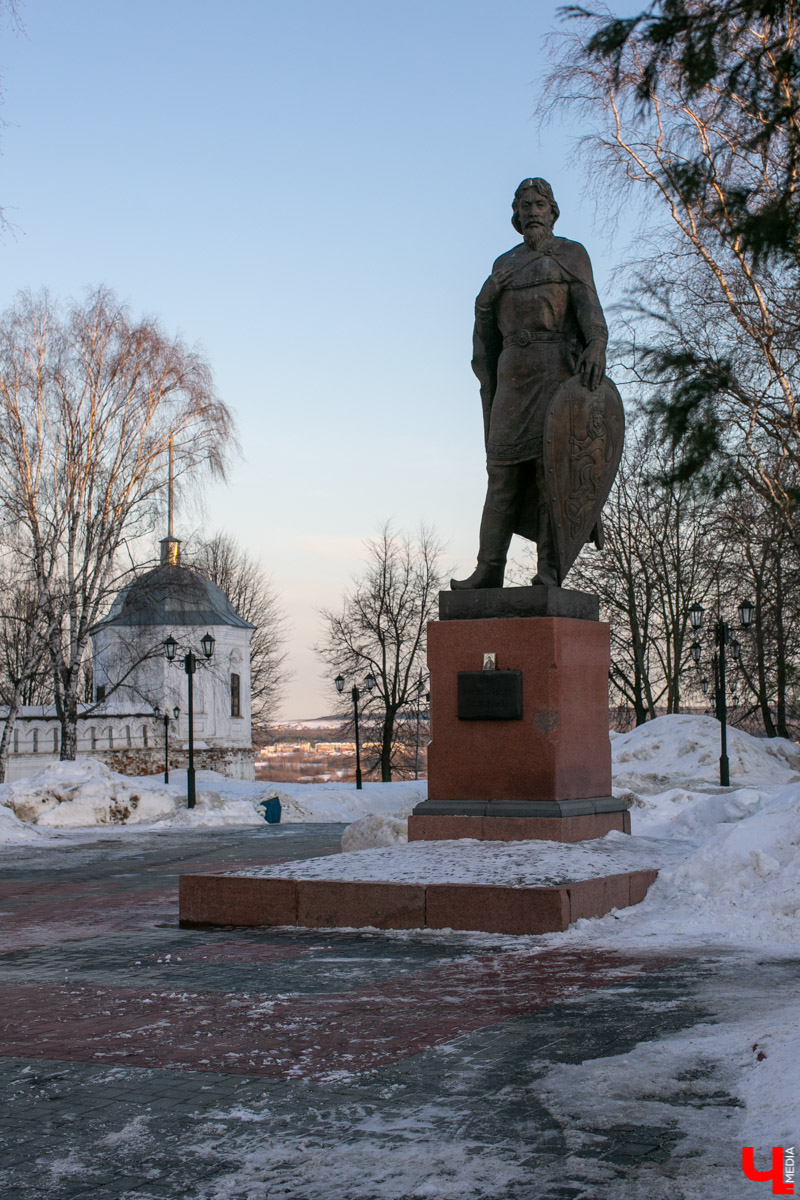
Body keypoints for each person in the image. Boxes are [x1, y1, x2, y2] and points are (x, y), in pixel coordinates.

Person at [452, 178, 608, 589]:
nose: (532, 211)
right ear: (515, 215)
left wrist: (597, 343)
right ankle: (489, 569)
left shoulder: (571, 255)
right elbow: (487, 335)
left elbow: (588, 305)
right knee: (501, 474)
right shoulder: (503, 265)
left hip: (554, 372)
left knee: (550, 473)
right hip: (512, 377)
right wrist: (485, 299)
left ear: (553, 211)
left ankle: (550, 571)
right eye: (524, 205)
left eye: (539, 204)